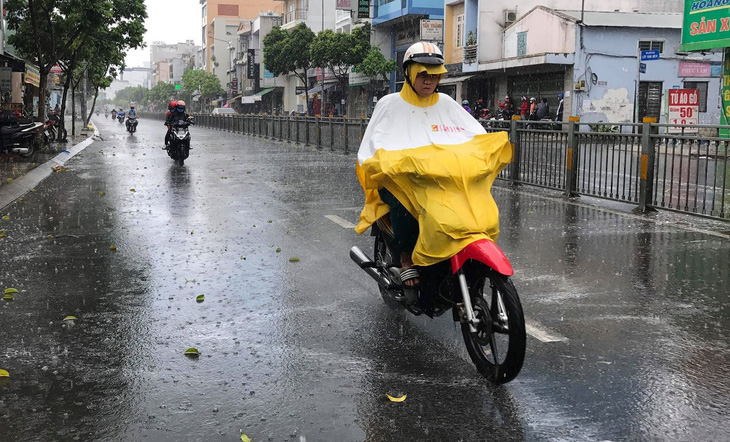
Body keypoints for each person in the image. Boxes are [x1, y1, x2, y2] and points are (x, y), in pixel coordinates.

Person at [354, 41, 493, 289]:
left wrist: (484, 157)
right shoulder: (390, 104)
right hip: (401, 180)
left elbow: (475, 136)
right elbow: (374, 145)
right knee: (403, 199)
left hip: (440, 179)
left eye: (434, 76)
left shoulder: (448, 105)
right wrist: (394, 163)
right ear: (409, 73)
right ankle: (406, 257)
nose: (428, 82)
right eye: (422, 75)